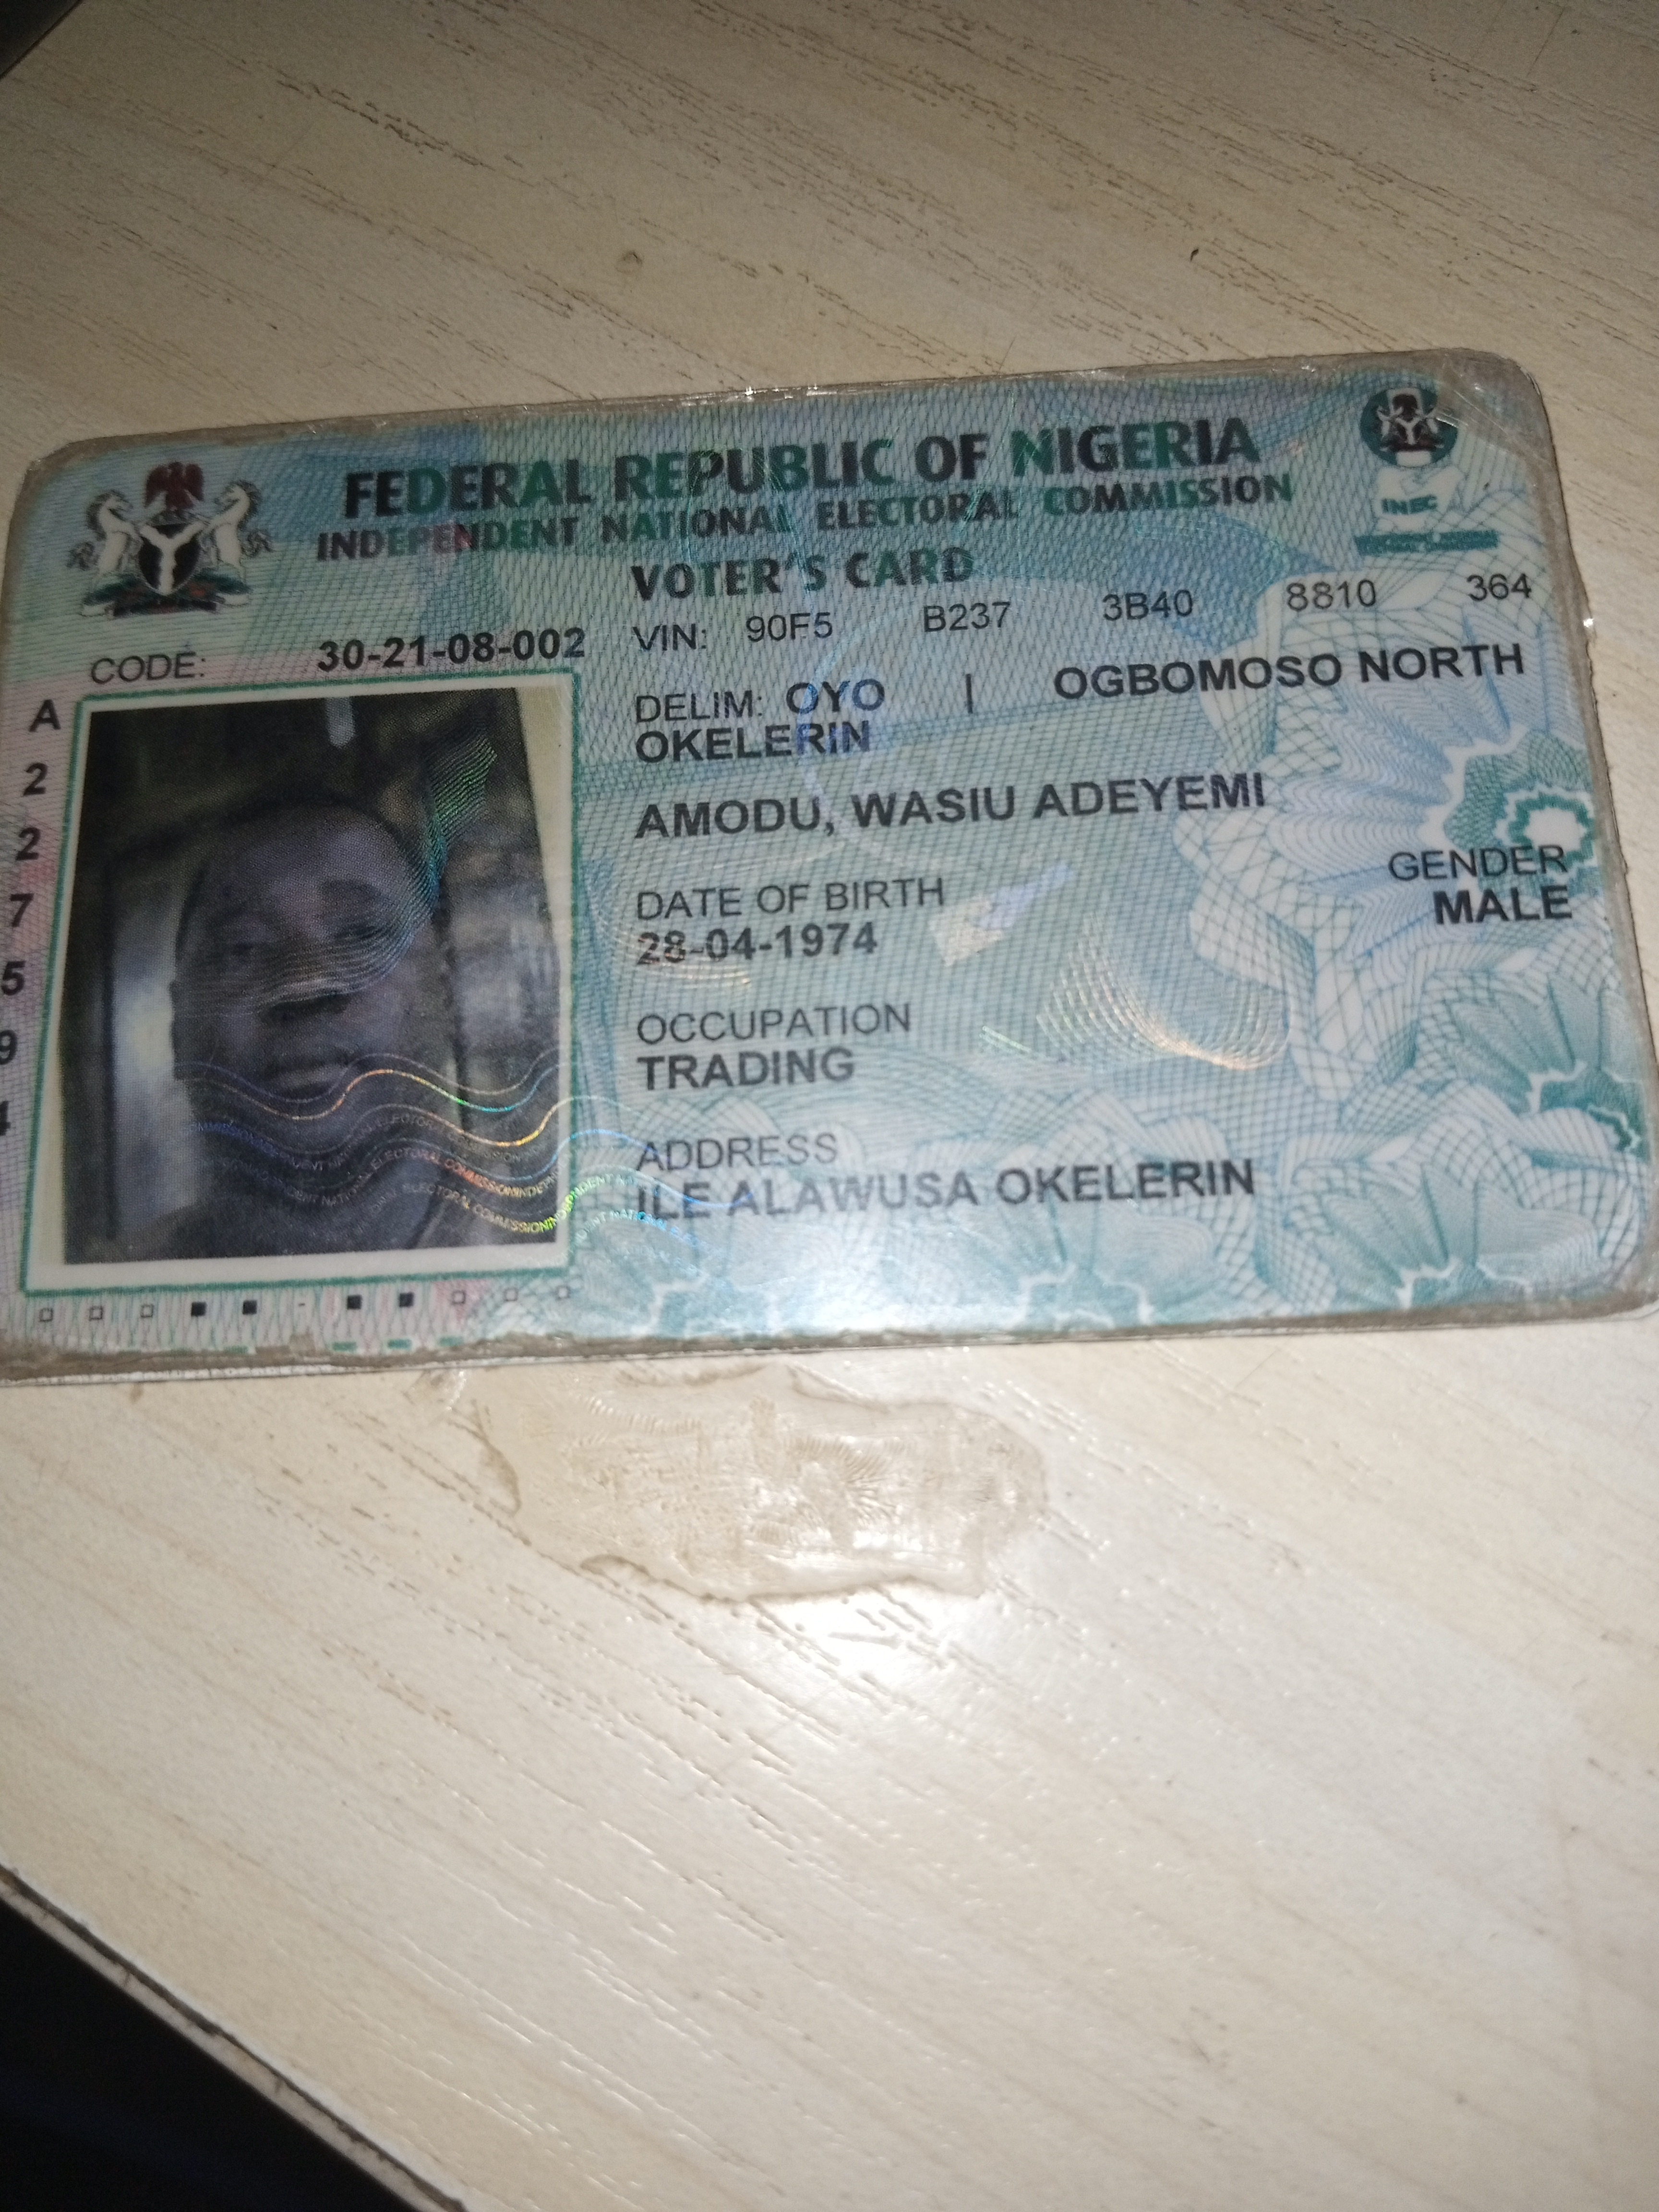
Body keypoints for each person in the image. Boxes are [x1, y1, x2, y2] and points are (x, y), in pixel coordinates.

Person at [123, 795, 485, 1258]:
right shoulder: (106, 1285)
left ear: (448, 997)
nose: (303, 983)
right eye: (243, 948)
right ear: (178, 1030)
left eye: (359, 934)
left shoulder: (557, 1243)